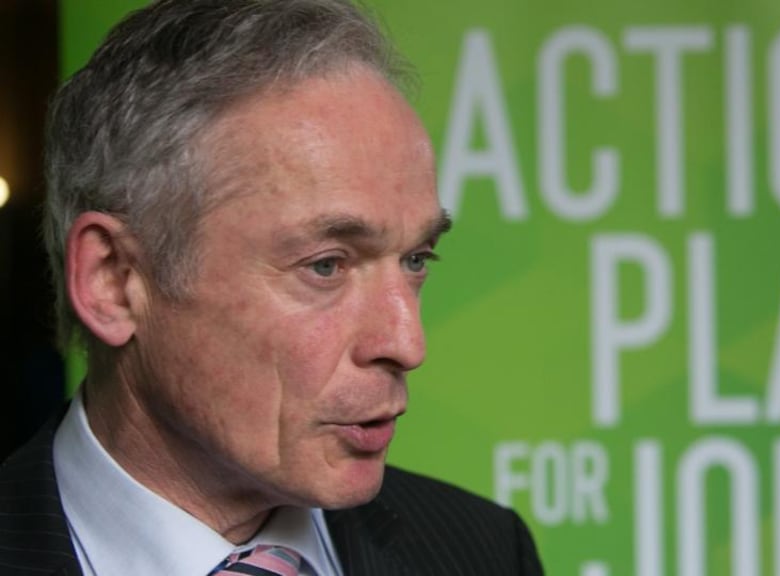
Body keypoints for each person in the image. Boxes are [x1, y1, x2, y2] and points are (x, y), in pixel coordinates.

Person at [0, 0, 544, 574]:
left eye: (414, 260)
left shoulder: (482, 550)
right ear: (113, 280)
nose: (408, 342)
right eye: (327, 265)